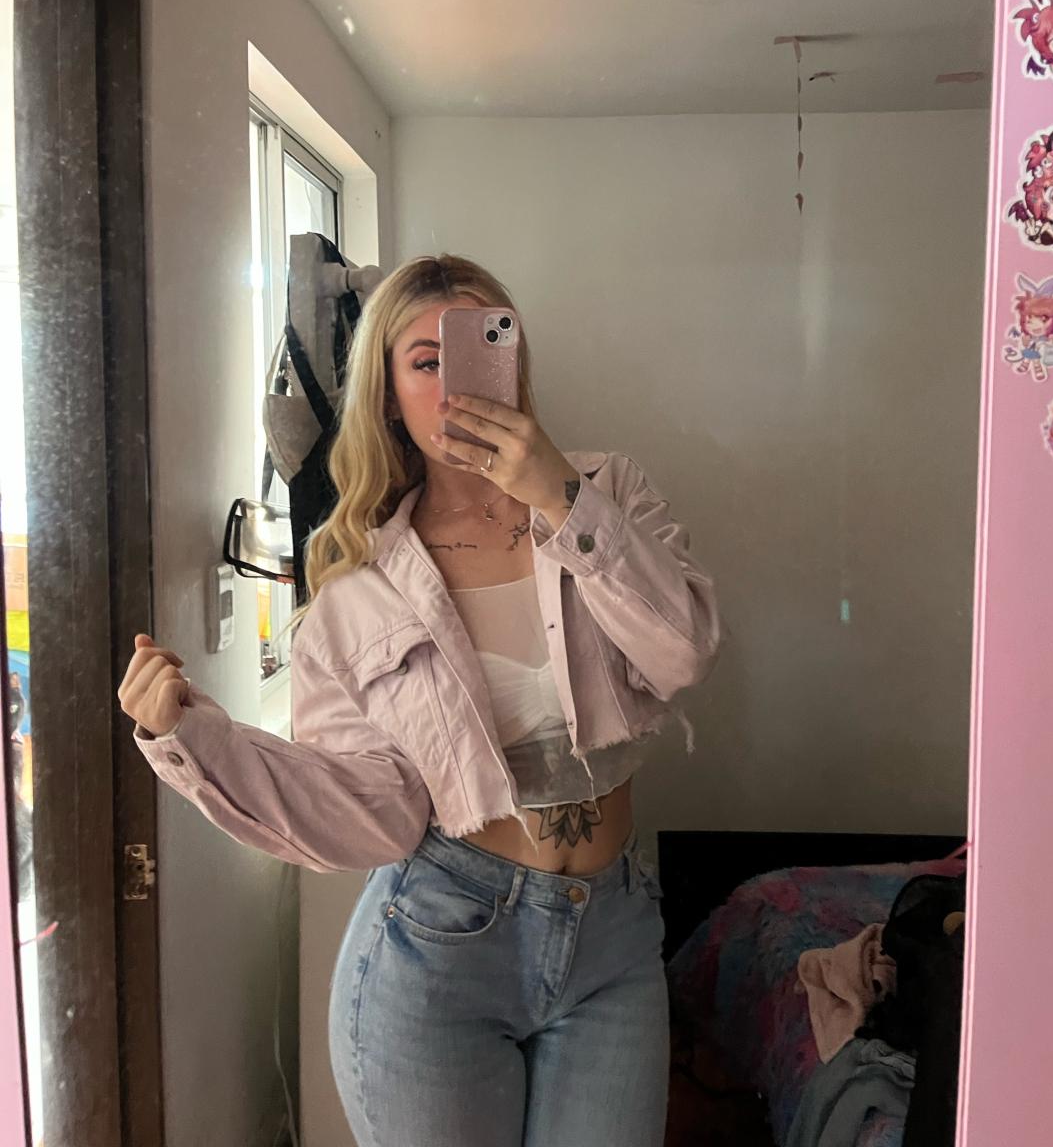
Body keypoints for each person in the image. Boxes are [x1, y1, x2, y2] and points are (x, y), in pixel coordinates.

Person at [119, 254, 724, 1147]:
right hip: (441, 943)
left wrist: (556, 495)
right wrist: (194, 741)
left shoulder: (608, 491)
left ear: (515, 361)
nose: (453, 383)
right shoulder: (357, 582)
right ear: (387, 393)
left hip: (614, 940)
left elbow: (683, 650)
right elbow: (375, 814)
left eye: (482, 346)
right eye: (425, 361)